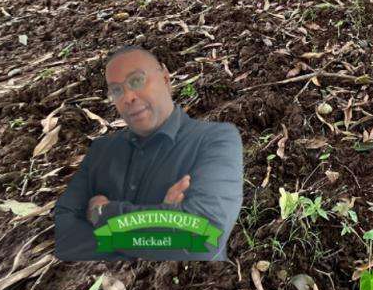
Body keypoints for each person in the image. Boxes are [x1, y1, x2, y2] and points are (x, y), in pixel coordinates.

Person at [54, 45, 243, 261]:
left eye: (136, 81)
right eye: (116, 90)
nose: (128, 97)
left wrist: (102, 215)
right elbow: (65, 240)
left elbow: (206, 238)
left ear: (165, 78)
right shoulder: (101, 151)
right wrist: (164, 220)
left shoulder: (214, 140)